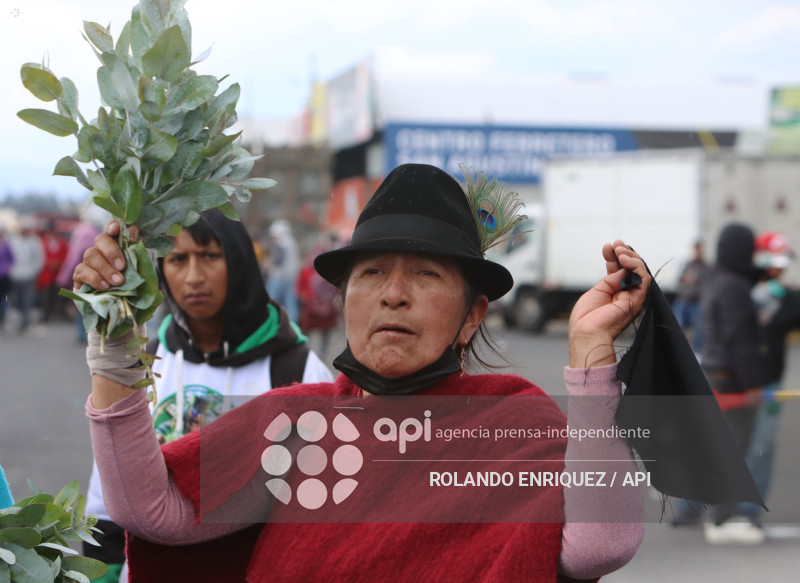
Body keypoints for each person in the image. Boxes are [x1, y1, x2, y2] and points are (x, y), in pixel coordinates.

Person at [75, 164, 649, 582]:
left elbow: (601, 544)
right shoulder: (294, 428)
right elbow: (151, 510)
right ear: (344, 300)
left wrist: (592, 352)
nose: (393, 295)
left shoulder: (512, 430)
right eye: (371, 273)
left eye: (426, 274)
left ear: (472, 316)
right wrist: (115, 342)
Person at [81, 209, 334, 583]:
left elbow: (320, 516)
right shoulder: (141, 362)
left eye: (210, 256)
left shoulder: (297, 370)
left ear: (239, 260)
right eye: (178, 259)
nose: (194, 276)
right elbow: (107, 495)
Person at [697, 223, 767, 544]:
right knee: (733, 450)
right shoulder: (735, 287)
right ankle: (722, 521)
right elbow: (739, 341)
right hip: (732, 379)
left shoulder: (715, 279)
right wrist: (753, 385)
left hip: (715, 372)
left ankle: (707, 513)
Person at [733, 231, 800, 528]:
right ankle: (690, 505)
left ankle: (747, 513)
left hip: (768, 383)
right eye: (775, 260)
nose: (780, 267)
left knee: (762, 444)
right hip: (732, 382)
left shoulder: (785, 297)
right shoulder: (735, 287)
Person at [56, 218, 102, 343]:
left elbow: (73, 259)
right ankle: (91, 333)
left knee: (81, 305)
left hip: (82, 277)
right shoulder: (96, 233)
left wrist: (63, 278)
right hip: (99, 277)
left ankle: (83, 334)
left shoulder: (81, 234)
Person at [295, 237, 340, 359]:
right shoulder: (310, 270)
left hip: (318, 309)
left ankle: (316, 356)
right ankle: (306, 356)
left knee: (319, 333)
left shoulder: (309, 270)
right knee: (311, 333)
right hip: (318, 309)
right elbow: (300, 289)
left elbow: (299, 290)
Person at [672, 240, 708, 356]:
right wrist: (685, 280)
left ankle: (697, 352)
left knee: (698, 328)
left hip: (696, 301)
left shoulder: (705, 267)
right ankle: (677, 350)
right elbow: (680, 279)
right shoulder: (689, 265)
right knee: (676, 325)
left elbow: (706, 285)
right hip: (684, 300)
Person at [9, 217, 44, 334]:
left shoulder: (34, 241)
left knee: (27, 300)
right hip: (16, 275)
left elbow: (39, 258)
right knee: (17, 300)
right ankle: (18, 320)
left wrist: (34, 271)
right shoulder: (13, 241)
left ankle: (25, 321)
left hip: (29, 276)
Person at [265, 219, 300, 323]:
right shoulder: (292, 241)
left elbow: (278, 260)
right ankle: (292, 327)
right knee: (290, 305)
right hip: (291, 277)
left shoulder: (281, 242)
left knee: (271, 302)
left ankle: (269, 323)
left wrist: (269, 264)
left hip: (279, 277)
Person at [37, 220, 69, 322]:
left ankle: (58, 313)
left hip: (58, 274)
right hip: (47, 274)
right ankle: (46, 314)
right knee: (46, 296)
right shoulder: (42, 242)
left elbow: (67, 256)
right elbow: (39, 257)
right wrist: (48, 263)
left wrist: (58, 263)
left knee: (59, 295)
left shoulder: (62, 242)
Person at [0, 227, 13, 330]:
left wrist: (5, 268)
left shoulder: (5, 245)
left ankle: (2, 316)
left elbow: (11, 259)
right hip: (4, 275)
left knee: (4, 298)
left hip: (4, 277)